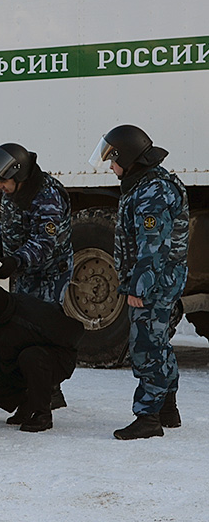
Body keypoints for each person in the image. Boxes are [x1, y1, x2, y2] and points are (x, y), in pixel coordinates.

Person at [90, 124, 189, 440]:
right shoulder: (147, 183)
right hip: (161, 279)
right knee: (158, 341)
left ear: (129, 157)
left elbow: (152, 246)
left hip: (154, 282)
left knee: (145, 345)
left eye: (113, 159)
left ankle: (148, 418)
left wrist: (139, 288)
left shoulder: (152, 192)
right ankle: (167, 407)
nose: (110, 165)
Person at [0, 283, 82, 432]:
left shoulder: (33, 314)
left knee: (31, 357)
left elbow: (73, 333)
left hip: (55, 361)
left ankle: (42, 414)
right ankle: (25, 401)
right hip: (12, 362)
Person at [0, 142, 73, 305]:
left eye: (3, 180)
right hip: (25, 270)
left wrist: (16, 260)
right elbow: (8, 220)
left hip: (47, 274)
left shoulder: (47, 198)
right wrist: (2, 245)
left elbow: (45, 243)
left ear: (19, 176)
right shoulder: (12, 191)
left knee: (40, 321)